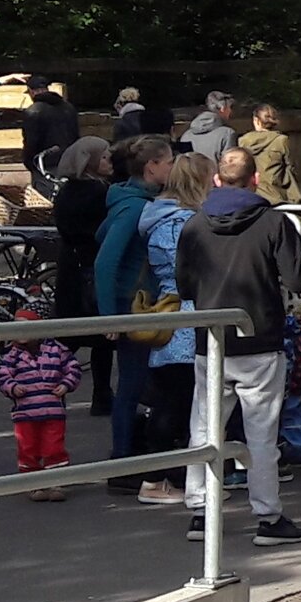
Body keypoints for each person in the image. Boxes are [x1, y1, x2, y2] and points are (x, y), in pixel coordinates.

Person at [176, 147, 301, 547]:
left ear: (217, 179)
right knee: (262, 435)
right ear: (255, 179)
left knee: (204, 428)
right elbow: (297, 279)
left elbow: (184, 287)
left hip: (210, 338)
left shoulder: (195, 225)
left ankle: (201, 512)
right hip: (260, 337)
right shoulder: (274, 222)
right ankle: (268, 516)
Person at [94, 134, 174, 492]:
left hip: (135, 303)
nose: (172, 167)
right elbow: (106, 260)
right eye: (168, 160)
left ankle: (130, 455)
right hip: (135, 305)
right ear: (151, 166)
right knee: (132, 385)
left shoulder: (129, 200)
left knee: (136, 384)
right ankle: (125, 459)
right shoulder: (135, 207)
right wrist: (111, 314)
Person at [135, 153, 214, 505]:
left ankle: (177, 477)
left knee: (178, 402)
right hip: (183, 316)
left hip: (177, 313)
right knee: (175, 403)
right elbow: (185, 271)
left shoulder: (163, 218)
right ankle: (155, 480)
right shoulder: (180, 223)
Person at [50, 137, 115, 415]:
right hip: (92, 264)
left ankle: (52, 385)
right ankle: (101, 394)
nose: (109, 162)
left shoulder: (65, 192)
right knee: (101, 336)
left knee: (67, 334)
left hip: (69, 265)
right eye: (104, 157)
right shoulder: (101, 194)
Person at [0, 314, 80, 499]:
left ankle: (56, 481)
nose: (20, 333)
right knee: (27, 448)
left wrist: (66, 384)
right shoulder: (12, 355)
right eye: (15, 328)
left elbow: (73, 368)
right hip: (25, 412)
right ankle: (33, 483)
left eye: (25, 327)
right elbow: (3, 376)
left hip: (53, 409)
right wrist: (12, 387)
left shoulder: (56, 349)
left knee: (54, 447)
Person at [19, 76, 79, 194]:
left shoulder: (33, 111)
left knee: (44, 203)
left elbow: (31, 143)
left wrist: (30, 163)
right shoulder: (69, 108)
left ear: (31, 92)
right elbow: (76, 135)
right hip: (69, 162)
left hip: (44, 165)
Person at [236, 104, 301, 207]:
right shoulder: (282, 140)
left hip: (249, 192)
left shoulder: (242, 141)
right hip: (275, 193)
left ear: (256, 120)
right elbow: (292, 167)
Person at [182, 92, 239, 163]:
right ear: (222, 108)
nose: (230, 111)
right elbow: (230, 165)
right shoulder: (227, 134)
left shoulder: (186, 136)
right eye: (230, 107)